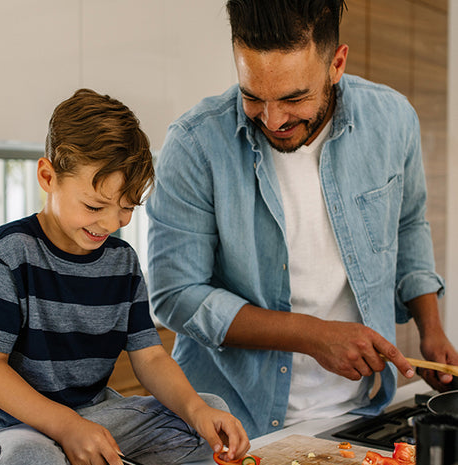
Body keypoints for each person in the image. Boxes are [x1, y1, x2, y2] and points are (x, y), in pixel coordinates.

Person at [146, 0, 458, 440]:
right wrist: (312, 335)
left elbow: (408, 224)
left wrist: (431, 328)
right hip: (229, 425)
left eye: (294, 98)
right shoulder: (195, 144)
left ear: (337, 63)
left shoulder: (392, 120)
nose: (273, 120)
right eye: (252, 96)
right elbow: (175, 296)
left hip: (359, 414)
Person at [0, 89, 249, 465]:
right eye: (94, 206)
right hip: (7, 428)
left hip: (91, 417)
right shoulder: (10, 252)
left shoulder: (122, 261)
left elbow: (149, 357)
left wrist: (197, 410)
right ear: (48, 177)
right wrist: (66, 428)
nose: (110, 224)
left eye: (126, 209)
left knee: (204, 417)